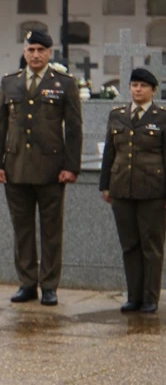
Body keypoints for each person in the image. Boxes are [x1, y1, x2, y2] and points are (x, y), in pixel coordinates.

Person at [0, 29, 82, 306]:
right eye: (31, 50)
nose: (36, 55)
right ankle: (27, 283)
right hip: (15, 167)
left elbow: (75, 128)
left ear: (50, 53)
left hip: (52, 170)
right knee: (23, 230)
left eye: (41, 50)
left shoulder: (64, 83)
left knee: (51, 231)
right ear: (24, 51)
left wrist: (71, 166)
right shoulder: (10, 83)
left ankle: (49, 285)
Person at [100, 68, 166, 314]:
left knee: (151, 246)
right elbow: (110, 153)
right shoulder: (117, 115)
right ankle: (133, 296)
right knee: (129, 245)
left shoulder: (161, 117)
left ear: (153, 90)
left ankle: (150, 297)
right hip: (122, 189)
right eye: (134, 85)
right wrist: (105, 184)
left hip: (152, 191)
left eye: (143, 86)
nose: (138, 89)